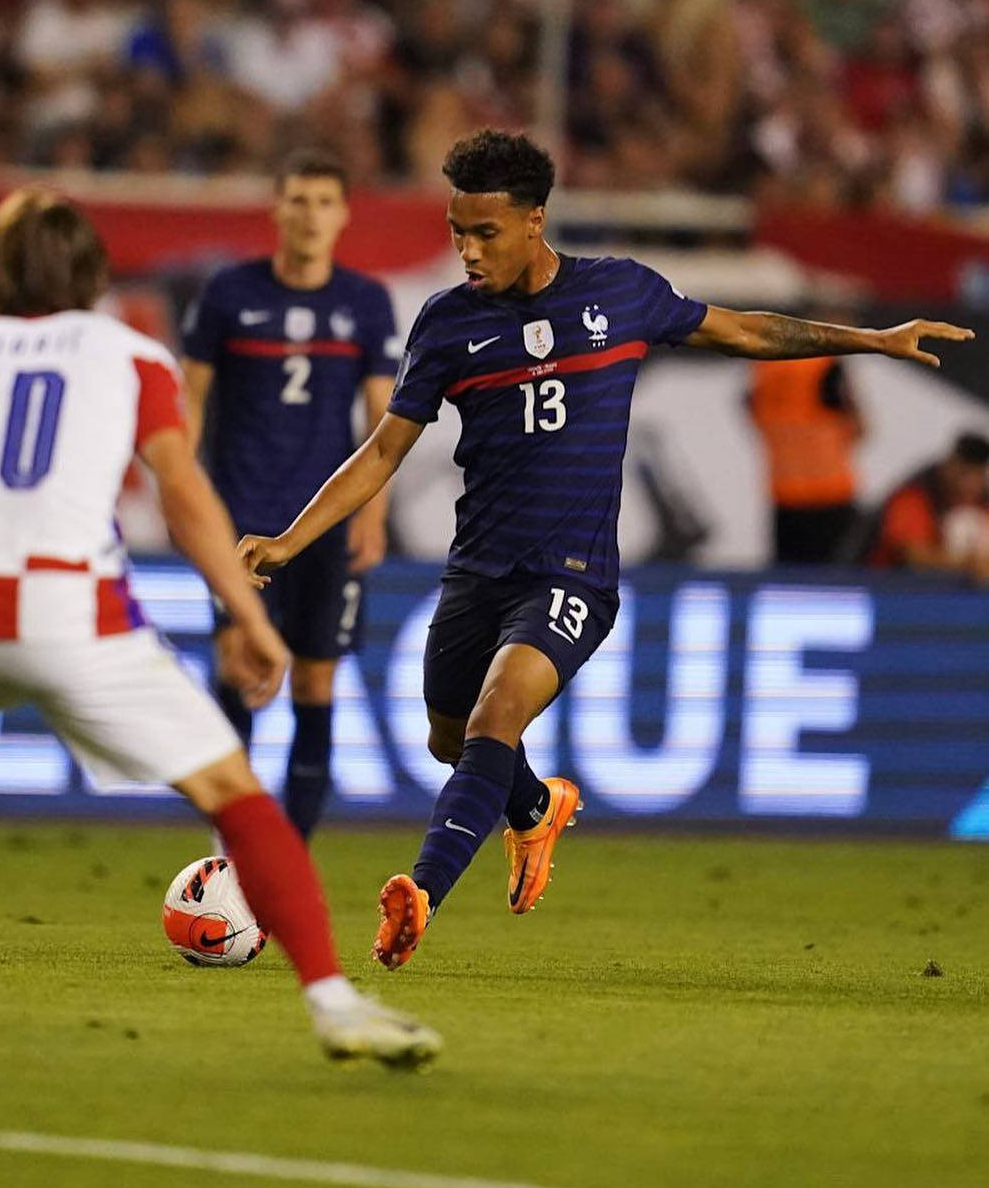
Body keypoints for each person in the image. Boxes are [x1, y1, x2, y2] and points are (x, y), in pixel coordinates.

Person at [239, 130, 974, 970]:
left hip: (572, 575)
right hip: (477, 569)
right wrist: (291, 540)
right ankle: (533, 808)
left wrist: (872, 340)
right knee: (453, 740)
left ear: (535, 222)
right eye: (456, 232)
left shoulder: (620, 295)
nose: (467, 252)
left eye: (484, 234)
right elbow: (381, 452)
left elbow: (745, 331)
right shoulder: (447, 325)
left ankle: (419, 895)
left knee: (493, 717)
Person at [0, 190, 438, 1067]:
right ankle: (334, 1003)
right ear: (91, 275)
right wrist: (243, 608)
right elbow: (181, 489)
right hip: (68, 605)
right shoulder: (129, 357)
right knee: (234, 792)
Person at [181, 149, 399, 838]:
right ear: (276, 208)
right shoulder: (227, 295)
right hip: (238, 514)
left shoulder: (365, 303)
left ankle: (289, 859)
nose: (310, 216)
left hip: (326, 524)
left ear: (344, 215)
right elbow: (188, 406)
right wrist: (188, 503)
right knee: (237, 666)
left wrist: (374, 512)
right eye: (297, 200)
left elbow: (383, 423)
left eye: (323, 202)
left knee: (315, 683)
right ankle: (232, 850)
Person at [748, 351, 865, 563]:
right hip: (831, 496)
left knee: (789, 586)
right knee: (837, 587)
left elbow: (753, 413)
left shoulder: (763, 368)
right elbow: (861, 429)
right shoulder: (825, 365)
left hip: (785, 498)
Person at [868, 431, 989, 583]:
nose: (969, 485)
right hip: (892, 590)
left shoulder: (982, 502)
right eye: (964, 474)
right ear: (949, 465)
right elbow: (913, 555)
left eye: (977, 476)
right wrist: (968, 563)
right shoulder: (914, 496)